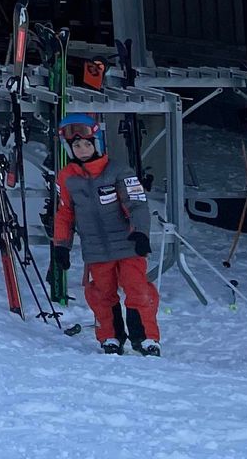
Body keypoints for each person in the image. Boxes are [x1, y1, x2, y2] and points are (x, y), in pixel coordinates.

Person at [50, 113, 161, 355]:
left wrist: (141, 233)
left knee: (137, 290)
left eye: (87, 144)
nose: (82, 149)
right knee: (101, 294)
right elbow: (64, 213)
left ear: (97, 143)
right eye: (76, 145)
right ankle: (110, 337)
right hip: (96, 249)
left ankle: (146, 338)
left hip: (128, 244)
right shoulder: (67, 178)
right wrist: (61, 245)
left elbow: (137, 204)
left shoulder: (118, 170)